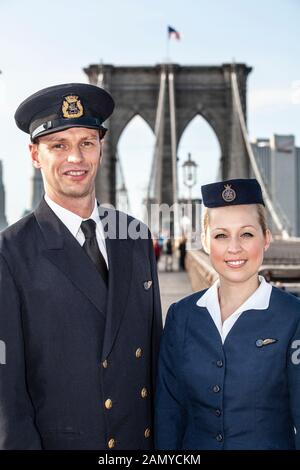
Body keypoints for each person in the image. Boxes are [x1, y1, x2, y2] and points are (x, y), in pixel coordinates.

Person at [0, 83, 162, 450]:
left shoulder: (136, 237)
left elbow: (153, 363)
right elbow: (6, 398)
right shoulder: (9, 254)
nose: (76, 158)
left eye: (87, 142)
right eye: (59, 145)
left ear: (101, 149)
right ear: (34, 155)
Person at [155, 178, 300, 450]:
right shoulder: (181, 317)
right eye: (221, 235)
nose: (234, 248)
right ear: (206, 242)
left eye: (246, 234)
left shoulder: (294, 317)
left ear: (266, 238)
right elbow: (169, 412)